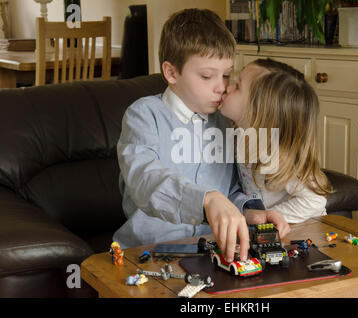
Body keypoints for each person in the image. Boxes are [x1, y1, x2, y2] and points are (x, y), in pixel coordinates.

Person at [112, 9, 288, 263]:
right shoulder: (143, 115)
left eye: (226, 74)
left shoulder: (224, 121)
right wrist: (206, 199)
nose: (222, 86)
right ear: (172, 73)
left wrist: (252, 214)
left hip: (211, 253)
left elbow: (230, 191)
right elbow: (144, 179)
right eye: (207, 76)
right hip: (147, 252)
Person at [220, 58, 333, 224]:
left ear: (258, 110)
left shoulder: (279, 155)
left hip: (300, 229)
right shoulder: (238, 136)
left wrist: (266, 217)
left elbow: (315, 201)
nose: (227, 87)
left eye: (238, 87)